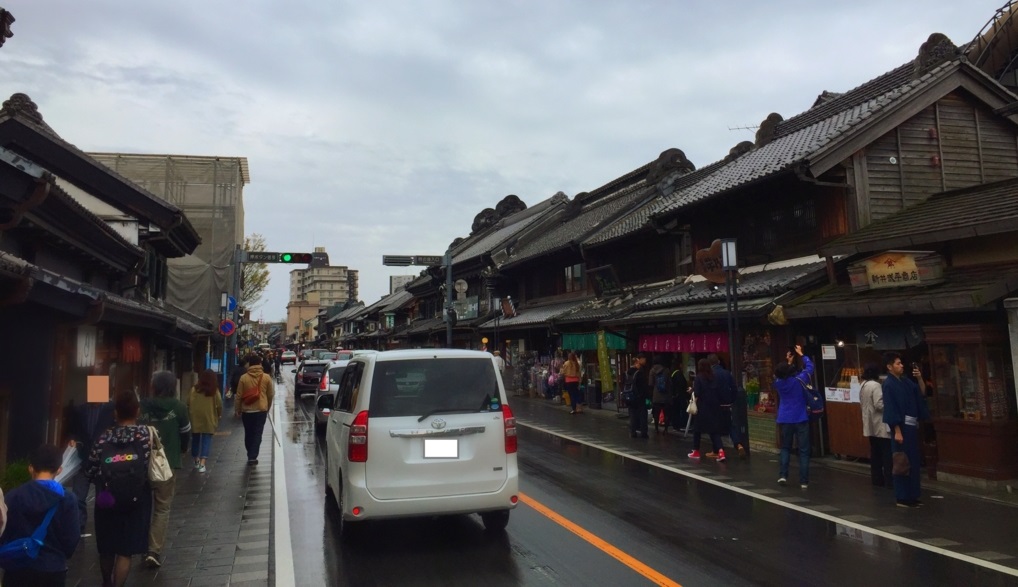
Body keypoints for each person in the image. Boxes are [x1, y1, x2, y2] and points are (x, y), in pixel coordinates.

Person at [86, 389, 153, 587]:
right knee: (125, 549)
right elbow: (148, 465)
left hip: (107, 498)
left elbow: (90, 468)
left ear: (115, 413)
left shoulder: (103, 438)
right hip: (136, 498)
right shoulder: (143, 435)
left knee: (107, 547)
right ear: (137, 412)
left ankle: (106, 582)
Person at [0, 444, 80, 586]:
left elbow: (4, 531)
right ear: (59, 470)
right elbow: (71, 539)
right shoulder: (67, 499)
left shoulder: (13, 496)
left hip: (17, 566)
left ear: (31, 468)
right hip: (52, 568)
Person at [139, 371, 191, 569]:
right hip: (167, 464)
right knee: (162, 508)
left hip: (142, 464)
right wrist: (182, 450)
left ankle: (140, 545)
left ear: (154, 386)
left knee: (142, 506)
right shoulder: (178, 407)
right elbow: (186, 432)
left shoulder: (143, 406)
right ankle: (153, 550)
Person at [882, 352, 930, 508]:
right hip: (901, 427)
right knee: (901, 461)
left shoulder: (906, 381)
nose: (901, 365)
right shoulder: (888, 384)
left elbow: (921, 392)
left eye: (901, 363)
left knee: (913, 462)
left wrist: (919, 377)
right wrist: (896, 430)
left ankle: (913, 495)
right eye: (897, 363)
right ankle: (902, 497)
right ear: (889, 367)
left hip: (911, 426)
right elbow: (891, 408)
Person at [67, 398, 115, 535]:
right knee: (78, 496)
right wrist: (72, 439)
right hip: (83, 458)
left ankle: (103, 527)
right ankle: (78, 527)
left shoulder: (111, 409)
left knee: (102, 495)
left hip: (103, 458)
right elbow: (72, 430)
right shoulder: (79, 409)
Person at [774, 344, 813, 488]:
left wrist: (789, 363)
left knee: (785, 448)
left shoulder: (778, 383)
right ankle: (803, 481)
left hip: (785, 418)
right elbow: (810, 367)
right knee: (803, 450)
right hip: (801, 417)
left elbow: (783, 373)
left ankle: (783, 475)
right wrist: (801, 354)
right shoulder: (800, 380)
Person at [235, 353, 275, 465]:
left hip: (247, 410)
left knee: (248, 433)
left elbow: (239, 395)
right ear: (259, 364)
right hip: (261, 409)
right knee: (258, 433)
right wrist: (268, 406)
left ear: (249, 364)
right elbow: (270, 394)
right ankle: (252, 456)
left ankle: (250, 452)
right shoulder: (266, 377)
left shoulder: (243, 378)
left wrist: (237, 409)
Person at [859, 363, 891, 487]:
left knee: (875, 454)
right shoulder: (876, 385)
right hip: (880, 424)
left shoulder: (863, 385)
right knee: (886, 453)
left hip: (869, 424)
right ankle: (889, 480)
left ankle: (877, 479)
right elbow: (879, 404)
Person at [688, 358, 725, 461]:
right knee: (714, 430)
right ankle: (721, 451)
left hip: (702, 407)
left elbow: (698, 393)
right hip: (714, 406)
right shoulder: (714, 377)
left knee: (697, 430)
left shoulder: (699, 378)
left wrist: (692, 391)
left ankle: (696, 451)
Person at [709, 354, 745, 458]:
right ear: (718, 362)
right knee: (730, 426)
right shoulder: (727, 373)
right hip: (726, 404)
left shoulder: (711, 374)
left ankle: (718, 450)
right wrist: (731, 400)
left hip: (715, 405)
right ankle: (738, 444)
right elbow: (734, 388)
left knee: (714, 428)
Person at [188, 369, 223, 474]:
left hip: (195, 418)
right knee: (206, 440)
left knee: (195, 439)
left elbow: (188, 403)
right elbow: (219, 404)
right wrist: (219, 414)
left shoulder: (194, 390)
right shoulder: (214, 391)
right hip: (209, 418)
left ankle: (196, 460)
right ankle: (203, 463)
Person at [628, 354, 651, 438]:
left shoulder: (628, 372)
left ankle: (633, 432)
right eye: (643, 358)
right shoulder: (639, 372)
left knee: (633, 414)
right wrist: (647, 396)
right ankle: (643, 432)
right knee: (642, 415)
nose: (645, 360)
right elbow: (644, 386)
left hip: (630, 396)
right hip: (640, 397)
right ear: (638, 360)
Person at [649, 355, 673, 433]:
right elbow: (670, 382)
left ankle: (656, 428)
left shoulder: (652, 370)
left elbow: (651, 383)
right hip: (666, 395)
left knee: (656, 413)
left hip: (656, 395)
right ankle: (666, 429)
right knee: (667, 413)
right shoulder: (666, 370)